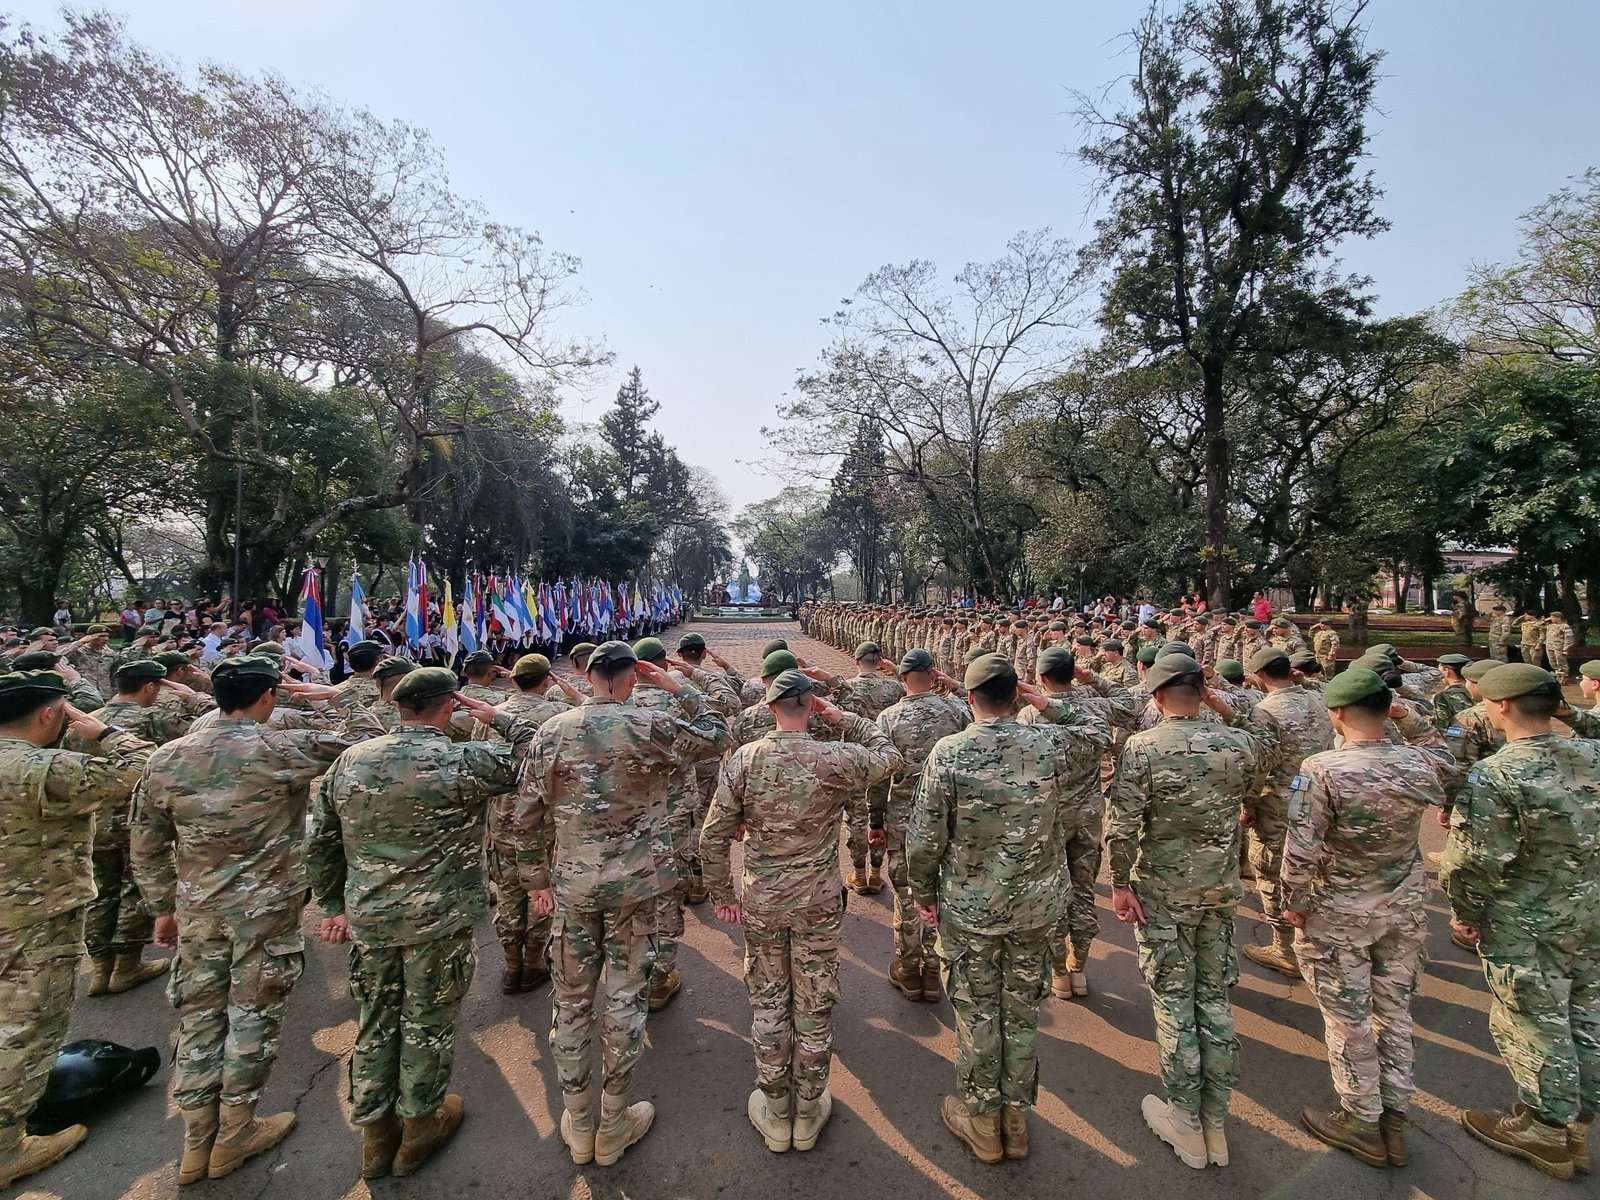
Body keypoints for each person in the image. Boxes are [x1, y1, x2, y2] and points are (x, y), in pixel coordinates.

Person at [130, 656, 382, 1184]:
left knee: (198, 1019)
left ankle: (196, 1144)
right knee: (252, 1017)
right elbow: (367, 740)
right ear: (269, 696)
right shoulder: (279, 748)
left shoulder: (166, 759)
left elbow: (147, 845)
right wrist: (333, 695)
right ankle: (237, 1130)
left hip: (197, 909)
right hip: (264, 911)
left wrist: (161, 909)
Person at [309, 668, 534, 1179]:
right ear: (449, 703)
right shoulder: (461, 760)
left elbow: (321, 841)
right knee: (427, 1021)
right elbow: (539, 755)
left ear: (399, 707)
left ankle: (374, 1134)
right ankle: (418, 1126)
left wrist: (330, 906)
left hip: (372, 916)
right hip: (439, 917)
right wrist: (499, 717)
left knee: (375, 1018)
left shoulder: (350, 761)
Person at [511, 641, 726, 1167]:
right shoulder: (649, 725)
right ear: (632, 677)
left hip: (574, 886)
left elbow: (526, 816)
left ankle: (579, 1122)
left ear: (587, 676)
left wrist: (535, 879)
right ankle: (613, 1120)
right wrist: (680, 687)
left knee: (572, 1001)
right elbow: (720, 735)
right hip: (638, 886)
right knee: (626, 999)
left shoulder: (552, 731)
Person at [907, 654, 1110, 1164]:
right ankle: (1014, 1121)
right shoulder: (1050, 744)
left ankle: (982, 1120)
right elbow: (1097, 730)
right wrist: (1042, 700)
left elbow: (926, 837)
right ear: (1015, 694)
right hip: (1037, 908)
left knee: (977, 1012)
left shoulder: (949, 753)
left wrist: (923, 893)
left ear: (969, 698)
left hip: (972, 909)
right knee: (1020, 1013)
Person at [702, 669, 902, 1153]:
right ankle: (808, 1109)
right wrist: (847, 718)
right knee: (813, 1003)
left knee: (769, 1001)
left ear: (771, 707)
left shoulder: (745, 760)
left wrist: (722, 895)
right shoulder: (835, 757)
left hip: (765, 900)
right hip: (817, 902)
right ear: (811, 706)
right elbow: (891, 758)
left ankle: (777, 1109)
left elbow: (712, 835)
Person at [1282, 668, 1453, 1169]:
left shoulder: (1322, 769)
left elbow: (1301, 848)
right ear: (1387, 710)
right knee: (1394, 1012)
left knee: (1348, 1017)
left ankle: (1361, 1118)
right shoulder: (1418, 762)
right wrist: (1412, 717)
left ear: (1336, 714)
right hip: (1402, 909)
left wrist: (1293, 899)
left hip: (1340, 912)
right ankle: (1395, 1120)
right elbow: (1451, 762)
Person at [1106, 655, 1270, 1171]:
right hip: (1219, 891)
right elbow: (1269, 751)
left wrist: (1119, 883)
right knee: (1214, 1000)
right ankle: (1215, 1122)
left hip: (1163, 892)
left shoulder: (1144, 748)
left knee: (1175, 1003)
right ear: (1202, 691)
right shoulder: (1237, 744)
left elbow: (1123, 822)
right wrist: (1226, 707)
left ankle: (1187, 1120)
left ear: (1155, 698)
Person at [1439, 664, 1600, 1181]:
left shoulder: (1498, 774)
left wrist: (1465, 915)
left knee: (1534, 1019)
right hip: (1590, 907)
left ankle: (1546, 1130)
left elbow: (1473, 860)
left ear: (1502, 706)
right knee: (1585, 1006)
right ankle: (1577, 1120)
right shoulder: (1594, 755)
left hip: (1527, 917)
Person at [0, 671, 153, 1190]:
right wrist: (103, 732)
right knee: (27, 1027)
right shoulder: (43, 769)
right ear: (49, 714)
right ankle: (6, 1147)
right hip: (35, 916)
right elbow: (143, 770)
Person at [69, 658, 210, 996]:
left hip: (95, 818)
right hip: (139, 819)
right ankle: (127, 964)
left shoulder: (89, 721)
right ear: (150, 687)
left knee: (101, 890)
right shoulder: (153, 718)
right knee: (137, 889)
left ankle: (100, 968)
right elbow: (196, 741)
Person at [875, 650, 971, 1002]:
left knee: (906, 895)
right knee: (940, 892)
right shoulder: (957, 711)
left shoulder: (889, 718)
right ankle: (934, 969)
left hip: (904, 819)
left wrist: (874, 820)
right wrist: (955, 686)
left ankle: (908, 966)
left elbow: (878, 776)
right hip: (948, 820)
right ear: (934, 674)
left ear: (902, 678)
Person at [1240, 648, 1330, 979]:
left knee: (1271, 871)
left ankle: (1285, 948)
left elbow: (1259, 766)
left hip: (1278, 804)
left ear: (1259, 674)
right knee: (1314, 867)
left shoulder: (1264, 711)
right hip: (1318, 798)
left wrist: (1247, 805)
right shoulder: (1316, 700)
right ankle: (1315, 939)